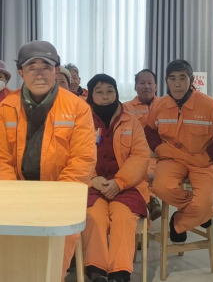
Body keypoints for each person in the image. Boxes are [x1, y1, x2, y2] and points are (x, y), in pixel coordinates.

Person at [0, 40, 97, 282]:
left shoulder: (78, 108)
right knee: (8, 251)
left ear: (56, 71)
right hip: (16, 193)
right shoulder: (6, 108)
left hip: (62, 195)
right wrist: (13, 197)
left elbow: (83, 160)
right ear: (20, 72)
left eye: (46, 66)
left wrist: (56, 199)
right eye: (31, 67)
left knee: (53, 254)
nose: (39, 73)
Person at [145, 59, 213, 243]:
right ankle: (201, 213)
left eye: (182, 78)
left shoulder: (209, 105)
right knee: (161, 187)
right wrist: (158, 147)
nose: (177, 83)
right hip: (171, 160)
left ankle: (179, 222)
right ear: (166, 81)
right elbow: (150, 130)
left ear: (191, 80)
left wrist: (209, 156)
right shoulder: (159, 105)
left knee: (206, 200)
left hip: (202, 161)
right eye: (172, 78)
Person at [82, 74, 149, 282]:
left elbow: (140, 155)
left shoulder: (131, 121)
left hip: (127, 186)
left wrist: (120, 182)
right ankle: (96, 271)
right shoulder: (81, 121)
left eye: (110, 91)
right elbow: (73, 155)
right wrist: (92, 179)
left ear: (117, 92)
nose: (105, 96)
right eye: (99, 92)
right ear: (91, 95)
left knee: (123, 216)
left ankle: (120, 272)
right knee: (94, 216)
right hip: (92, 185)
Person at [123, 69, 162, 220]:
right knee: (138, 172)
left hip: (161, 155)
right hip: (136, 155)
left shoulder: (165, 105)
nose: (146, 86)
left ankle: (150, 201)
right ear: (135, 86)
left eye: (150, 83)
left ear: (156, 86)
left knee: (150, 174)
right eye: (142, 83)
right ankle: (150, 200)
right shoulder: (125, 108)